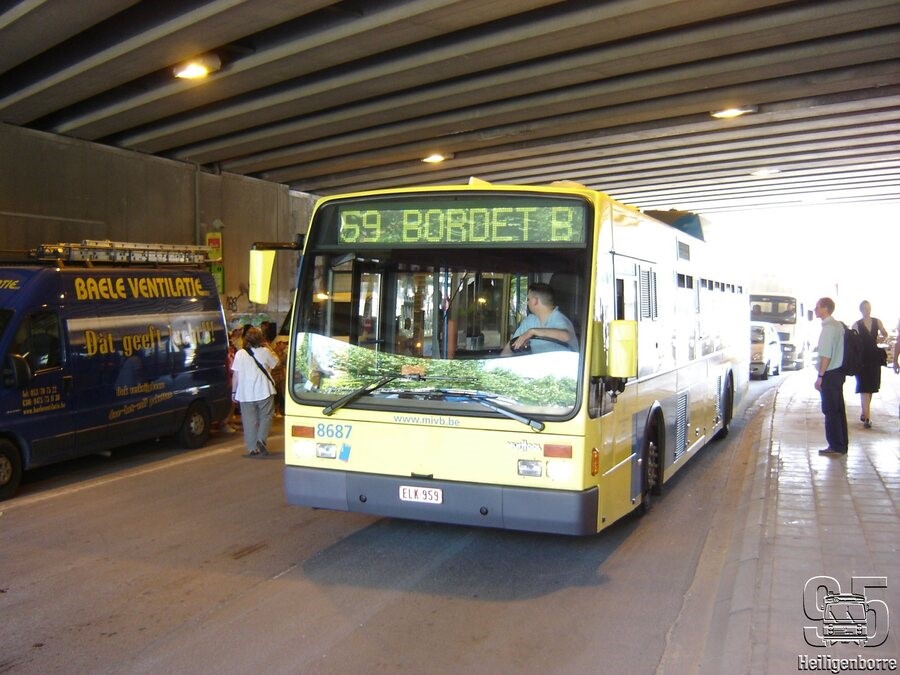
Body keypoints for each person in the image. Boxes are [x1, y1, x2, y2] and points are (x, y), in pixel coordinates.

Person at [231, 326, 278, 457]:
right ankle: (261, 440)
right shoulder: (265, 352)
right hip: (264, 390)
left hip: (245, 393)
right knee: (266, 416)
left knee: (248, 420)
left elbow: (235, 375)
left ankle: (252, 448)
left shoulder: (240, 354)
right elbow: (276, 363)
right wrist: (268, 348)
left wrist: (233, 392)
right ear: (261, 339)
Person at [501, 282, 577, 356]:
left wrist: (533, 332)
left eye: (528, 299)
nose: (527, 303)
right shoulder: (530, 321)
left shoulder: (559, 318)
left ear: (535, 301)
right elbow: (512, 344)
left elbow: (566, 336)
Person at [813, 297, 848, 456]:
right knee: (839, 410)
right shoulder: (838, 325)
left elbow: (826, 355)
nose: (815, 310)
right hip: (839, 372)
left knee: (830, 410)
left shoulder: (828, 328)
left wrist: (820, 376)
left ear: (825, 309)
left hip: (830, 374)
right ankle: (842, 444)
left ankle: (835, 446)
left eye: (818, 307)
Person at [852, 300, 888, 429]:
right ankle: (867, 417)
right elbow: (853, 341)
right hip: (862, 358)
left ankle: (864, 412)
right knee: (864, 386)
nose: (867, 310)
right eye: (864, 308)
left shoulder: (877, 321)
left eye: (868, 308)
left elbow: (885, 333)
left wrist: (882, 338)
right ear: (861, 310)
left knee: (871, 386)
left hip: (874, 357)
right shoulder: (856, 324)